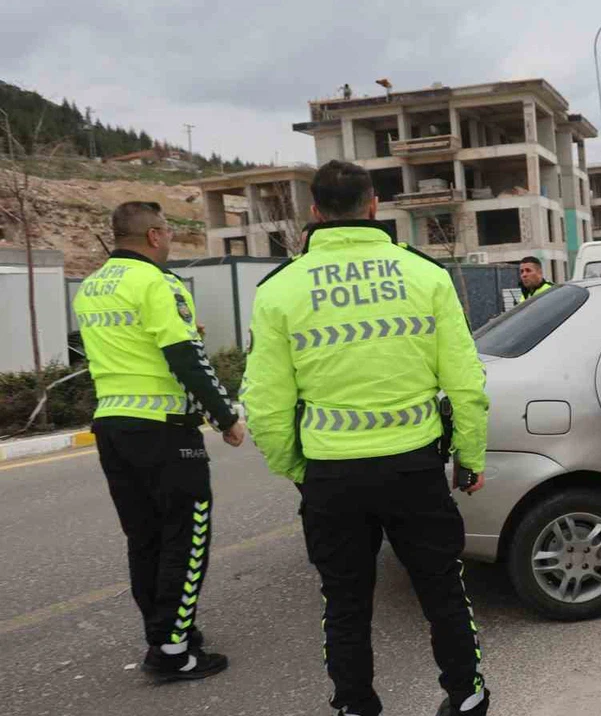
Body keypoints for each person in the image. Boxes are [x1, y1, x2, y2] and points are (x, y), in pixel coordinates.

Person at [242, 160, 491, 716]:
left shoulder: (280, 290)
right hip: (414, 470)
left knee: (345, 603)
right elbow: (467, 384)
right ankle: (467, 696)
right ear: (374, 205)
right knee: (442, 590)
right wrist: (469, 461)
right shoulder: (425, 276)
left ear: (314, 212)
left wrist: (300, 470)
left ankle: (356, 706)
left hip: (332, 477)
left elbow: (264, 406)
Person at [73, 201, 245, 682]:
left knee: (144, 538)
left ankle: (167, 631)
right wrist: (225, 415)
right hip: (164, 429)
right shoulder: (157, 282)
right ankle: (173, 650)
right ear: (153, 235)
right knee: (186, 539)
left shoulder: (91, 287)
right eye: (167, 232)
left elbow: (129, 348)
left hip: (112, 426)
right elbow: (185, 356)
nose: (169, 240)